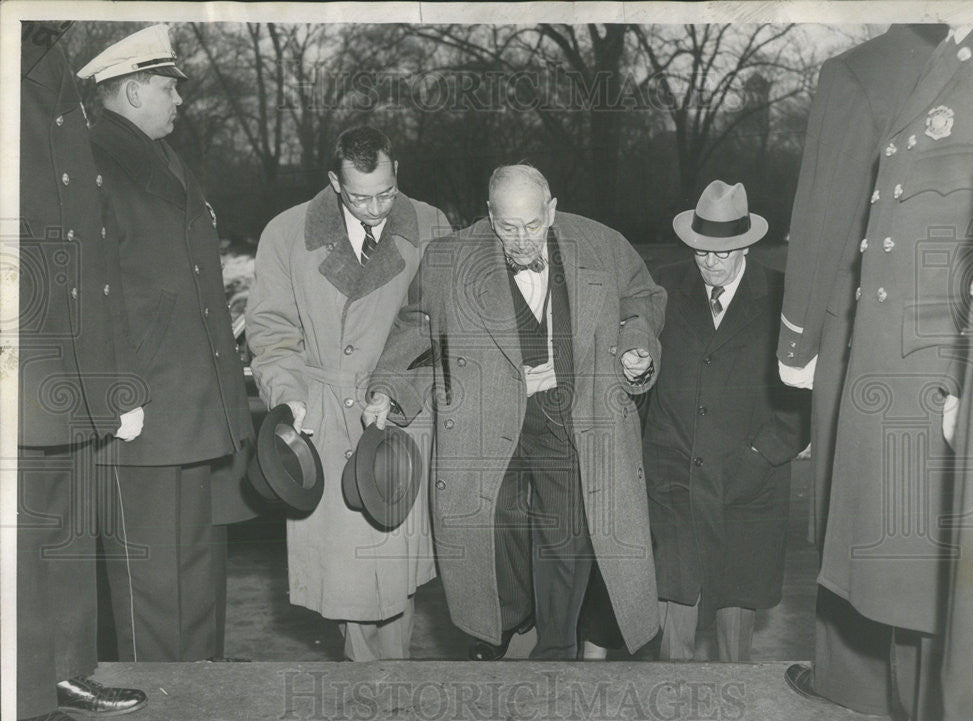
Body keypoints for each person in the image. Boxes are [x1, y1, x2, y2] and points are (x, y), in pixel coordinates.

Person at [365, 164, 665, 660]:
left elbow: (643, 298)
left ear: (551, 210)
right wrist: (389, 389)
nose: (521, 240)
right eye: (507, 227)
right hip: (486, 418)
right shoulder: (449, 259)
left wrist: (635, 344)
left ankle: (556, 649)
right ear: (489, 215)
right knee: (493, 534)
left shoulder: (602, 245)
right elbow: (419, 327)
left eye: (531, 225)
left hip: (569, 415)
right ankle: (498, 632)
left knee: (566, 540)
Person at [819, 26, 973, 721]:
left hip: (943, 369)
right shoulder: (949, 54)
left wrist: (966, 382)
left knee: (943, 578)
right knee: (919, 572)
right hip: (906, 369)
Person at [777, 23, 948, 717]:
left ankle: (852, 684)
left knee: (858, 510)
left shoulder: (860, 72)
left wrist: (797, 345)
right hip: (961, 333)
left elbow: (824, 214)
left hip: (867, 333)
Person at [77, 24, 255, 662]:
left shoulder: (165, 161)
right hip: (140, 414)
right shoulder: (93, 163)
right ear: (128, 93)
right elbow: (91, 293)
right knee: (150, 589)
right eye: (165, 87)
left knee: (199, 578)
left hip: (193, 410)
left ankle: (198, 713)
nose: (180, 100)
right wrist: (118, 391)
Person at [245, 126, 450, 661]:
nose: (378, 206)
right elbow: (271, 332)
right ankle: (365, 685)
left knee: (394, 576)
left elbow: (439, 327)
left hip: (398, 416)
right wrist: (289, 399)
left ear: (396, 171)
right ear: (334, 182)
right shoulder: (288, 233)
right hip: (324, 418)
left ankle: (391, 680)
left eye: (386, 191)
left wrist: (399, 389)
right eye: (361, 196)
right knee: (350, 584)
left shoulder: (430, 224)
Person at [17, 21, 148, 721]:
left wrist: (115, 379)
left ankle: (65, 670)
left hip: (69, 350)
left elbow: (93, 249)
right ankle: (24, 690)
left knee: (68, 525)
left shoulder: (50, 65)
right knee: (25, 535)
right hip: (22, 350)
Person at [642, 181, 809, 662]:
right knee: (673, 610)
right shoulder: (663, 285)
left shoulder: (783, 295)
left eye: (723, 251)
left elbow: (808, 392)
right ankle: (670, 719)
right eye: (700, 249)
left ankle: (736, 710)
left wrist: (764, 455)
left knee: (736, 613)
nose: (709, 262)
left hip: (748, 477)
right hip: (672, 473)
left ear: (748, 243)